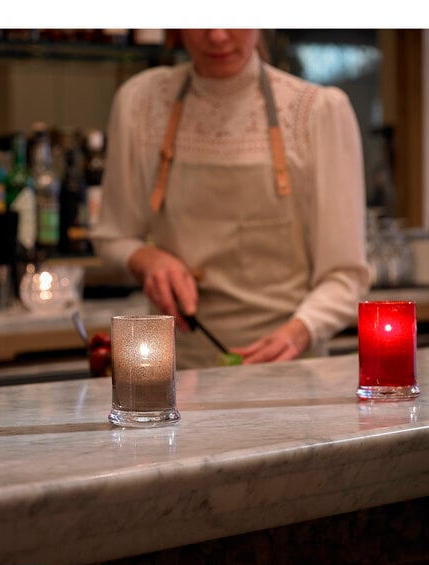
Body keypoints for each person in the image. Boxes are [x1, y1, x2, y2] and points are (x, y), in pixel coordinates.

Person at [90, 29, 370, 368]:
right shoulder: (139, 102)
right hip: (176, 371)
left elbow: (345, 275)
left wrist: (299, 332)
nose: (218, 36)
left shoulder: (317, 111)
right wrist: (148, 259)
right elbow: (112, 236)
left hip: (291, 369)